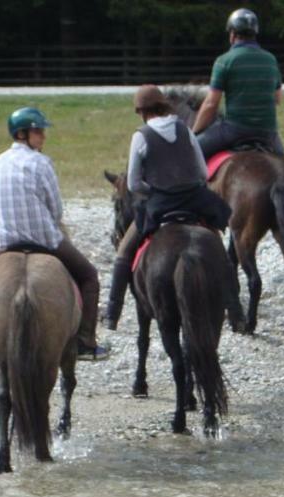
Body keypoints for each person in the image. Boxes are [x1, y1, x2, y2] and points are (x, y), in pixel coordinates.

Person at [0, 106, 108, 365]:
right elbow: (55, 208)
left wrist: (6, 221)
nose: (43, 136)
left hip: (7, 241)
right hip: (46, 240)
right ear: (22, 134)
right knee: (89, 277)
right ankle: (85, 342)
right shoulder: (42, 163)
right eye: (38, 131)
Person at [105, 85, 233, 327]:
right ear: (163, 106)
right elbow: (203, 172)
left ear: (142, 112)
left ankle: (112, 313)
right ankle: (234, 307)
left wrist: (154, 190)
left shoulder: (141, 136)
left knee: (124, 250)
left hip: (161, 202)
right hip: (194, 199)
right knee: (218, 247)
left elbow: (133, 183)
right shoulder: (185, 129)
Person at [192, 8, 284, 159]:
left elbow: (211, 104)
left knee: (193, 152)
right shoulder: (271, 60)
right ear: (255, 34)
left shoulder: (224, 61)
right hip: (268, 133)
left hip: (235, 130)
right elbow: (278, 98)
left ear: (233, 34)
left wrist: (195, 132)